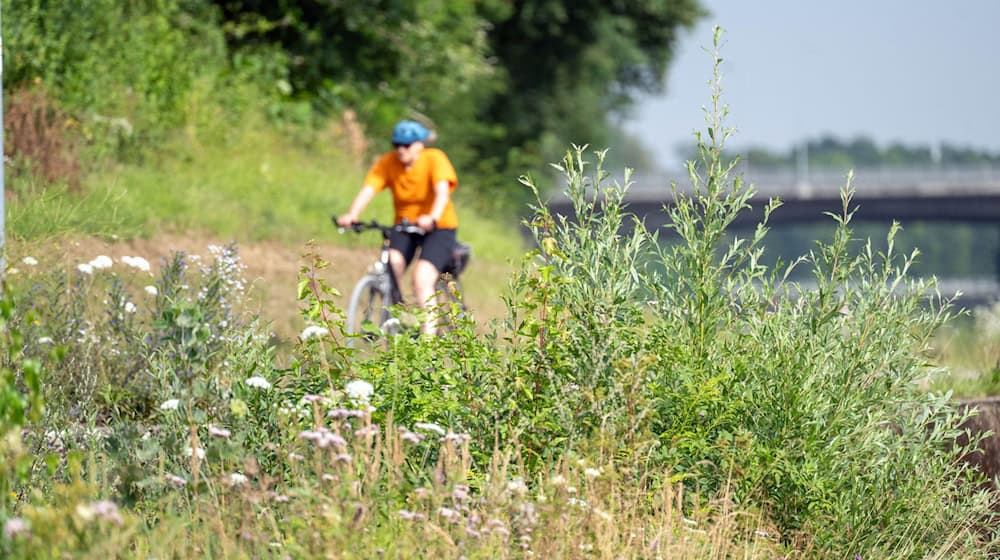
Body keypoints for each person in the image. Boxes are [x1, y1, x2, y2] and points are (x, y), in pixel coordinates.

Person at [336, 120, 459, 335]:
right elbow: (369, 189)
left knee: (421, 279)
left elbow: (442, 192)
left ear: (420, 144)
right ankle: (398, 318)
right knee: (391, 264)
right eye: (396, 145)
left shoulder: (434, 159)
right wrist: (352, 215)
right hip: (405, 226)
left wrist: (432, 217)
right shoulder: (388, 162)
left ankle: (428, 347)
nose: (401, 150)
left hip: (438, 227)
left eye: (407, 145)